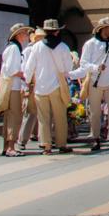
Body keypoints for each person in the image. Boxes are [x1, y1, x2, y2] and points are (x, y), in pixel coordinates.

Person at [72, 17, 109, 151]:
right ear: (101, 29)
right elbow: (83, 63)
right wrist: (96, 68)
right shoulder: (90, 44)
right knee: (94, 112)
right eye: (108, 28)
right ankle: (95, 138)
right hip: (95, 81)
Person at [24, 19, 73, 155]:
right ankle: (62, 144)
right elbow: (68, 68)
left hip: (40, 86)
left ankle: (46, 146)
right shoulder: (63, 47)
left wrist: (27, 81)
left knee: (43, 118)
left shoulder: (36, 47)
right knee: (60, 117)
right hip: (57, 85)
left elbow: (29, 67)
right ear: (57, 31)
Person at [0, 23, 32, 157]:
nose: (26, 35)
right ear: (18, 34)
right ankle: (11, 147)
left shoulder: (11, 47)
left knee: (9, 116)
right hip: (13, 87)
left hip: (10, 86)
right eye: (24, 32)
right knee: (15, 115)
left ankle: (6, 146)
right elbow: (12, 70)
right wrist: (25, 76)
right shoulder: (14, 48)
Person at [17, 27, 45, 150]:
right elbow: (25, 69)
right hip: (33, 85)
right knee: (30, 113)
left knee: (43, 114)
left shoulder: (43, 50)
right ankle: (22, 140)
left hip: (42, 84)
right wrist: (27, 85)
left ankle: (42, 139)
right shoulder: (29, 50)